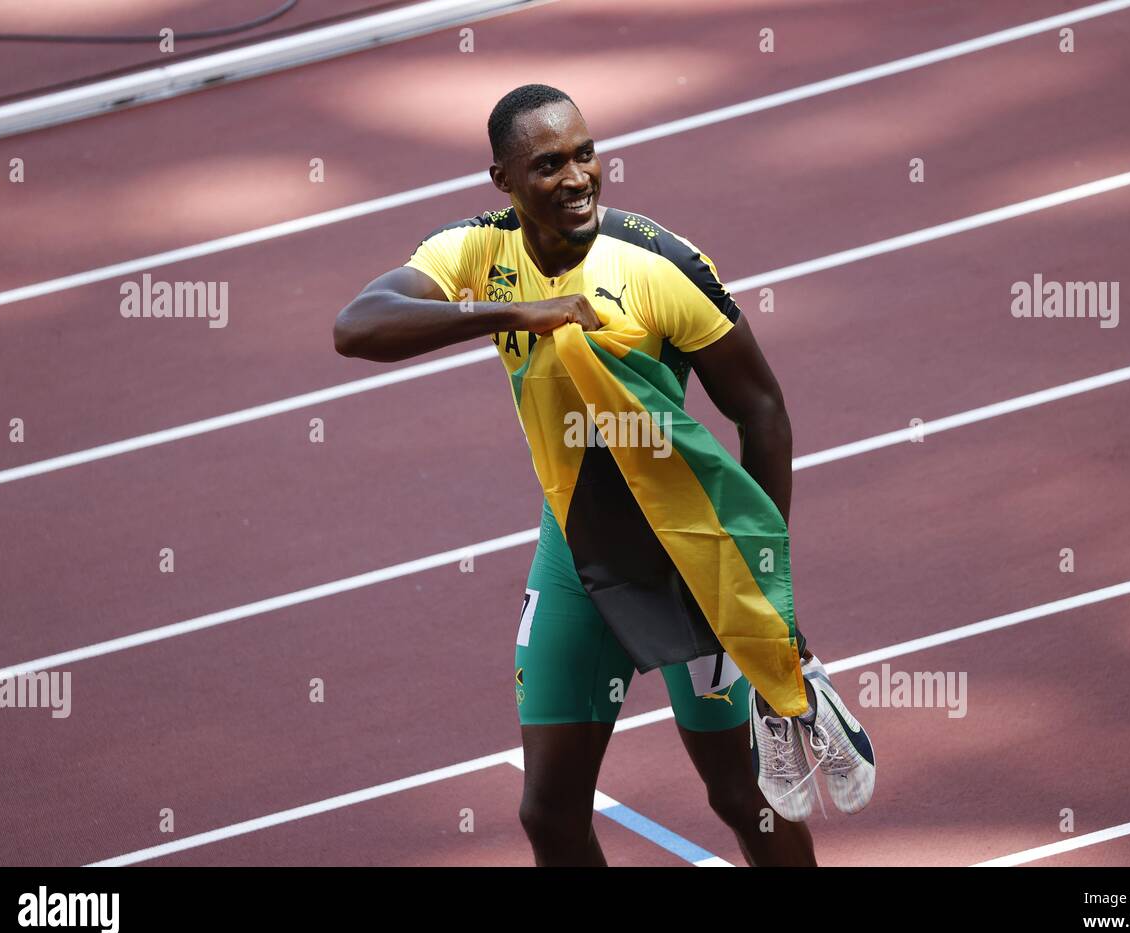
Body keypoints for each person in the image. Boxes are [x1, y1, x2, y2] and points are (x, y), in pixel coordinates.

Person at [334, 84, 873, 866]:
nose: (578, 176)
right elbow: (358, 326)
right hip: (578, 552)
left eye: (585, 154)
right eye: (548, 164)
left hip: (688, 556)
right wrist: (518, 313)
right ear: (505, 183)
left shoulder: (660, 264)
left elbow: (763, 411)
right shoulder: (479, 252)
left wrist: (758, 578)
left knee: (740, 791)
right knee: (549, 812)